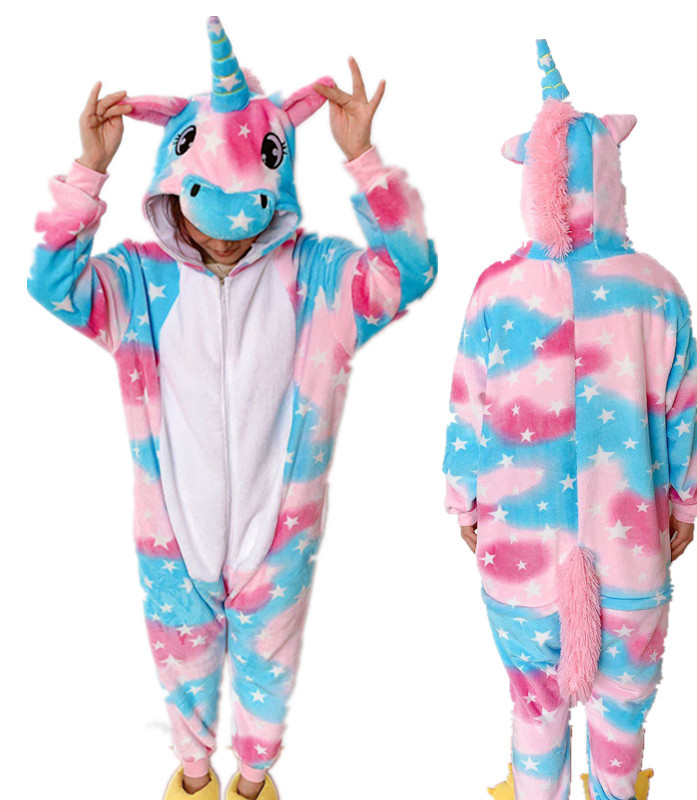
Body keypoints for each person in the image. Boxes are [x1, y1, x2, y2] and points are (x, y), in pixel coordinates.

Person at [28, 16, 436, 800]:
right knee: (179, 671)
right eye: (203, 210)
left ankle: (252, 785)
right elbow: (52, 285)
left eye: (246, 212)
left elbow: (407, 274)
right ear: (172, 186)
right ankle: (192, 779)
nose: (223, 238)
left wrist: (363, 160)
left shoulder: (317, 275)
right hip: (171, 531)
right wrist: (88, 171)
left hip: (277, 533)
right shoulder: (137, 280)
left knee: (268, 681)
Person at [442, 40, 697, 800]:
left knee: (535, 706)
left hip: (519, 555)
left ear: (532, 181)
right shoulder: (657, 290)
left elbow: (467, 411)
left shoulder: (495, 290)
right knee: (623, 713)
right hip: (631, 555)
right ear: (611, 179)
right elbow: (681, 414)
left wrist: (466, 504)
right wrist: (683, 503)